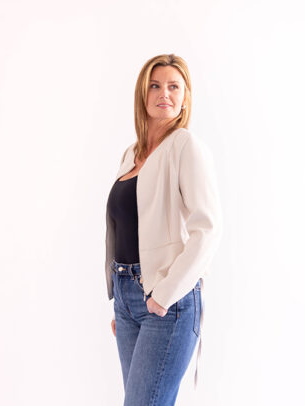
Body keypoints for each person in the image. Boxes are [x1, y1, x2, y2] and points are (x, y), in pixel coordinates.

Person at [104, 53, 223, 406]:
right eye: (155, 86)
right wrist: (124, 305)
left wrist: (163, 296)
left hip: (169, 300)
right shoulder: (131, 155)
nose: (164, 94)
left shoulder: (186, 147)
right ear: (143, 94)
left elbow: (208, 229)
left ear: (185, 97)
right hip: (127, 297)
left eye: (174, 86)